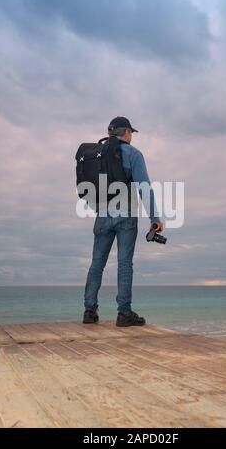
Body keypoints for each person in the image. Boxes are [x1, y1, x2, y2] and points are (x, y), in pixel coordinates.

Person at [83, 116, 163, 327]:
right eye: (130, 133)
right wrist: (155, 219)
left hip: (103, 214)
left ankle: (89, 311)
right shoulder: (133, 154)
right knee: (124, 263)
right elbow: (144, 188)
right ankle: (124, 313)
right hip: (126, 214)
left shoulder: (98, 155)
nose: (131, 136)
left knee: (96, 263)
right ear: (126, 132)